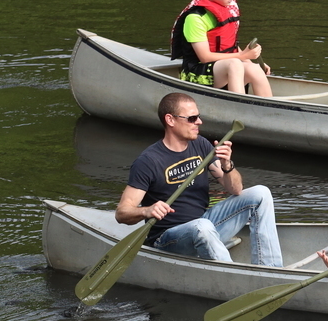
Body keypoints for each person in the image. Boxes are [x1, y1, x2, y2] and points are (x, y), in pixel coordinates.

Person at [115, 92, 283, 266]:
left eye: (199, 117)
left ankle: (270, 270)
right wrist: (146, 211)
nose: (199, 122)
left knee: (261, 193)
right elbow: (122, 213)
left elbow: (236, 190)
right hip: (169, 239)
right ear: (170, 120)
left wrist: (227, 165)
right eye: (192, 118)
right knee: (201, 226)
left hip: (206, 224)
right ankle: (235, 277)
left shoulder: (201, 144)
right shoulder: (148, 161)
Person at [170, 0, 273, 97]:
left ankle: (269, 110)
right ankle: (239, 110)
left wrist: (249, 59)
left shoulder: (227, 10)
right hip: (196, 74)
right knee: (235, 64)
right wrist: (243, 56)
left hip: (223, 69)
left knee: (254, 69)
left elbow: (231, 47)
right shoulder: (195, 18)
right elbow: (205, 57)